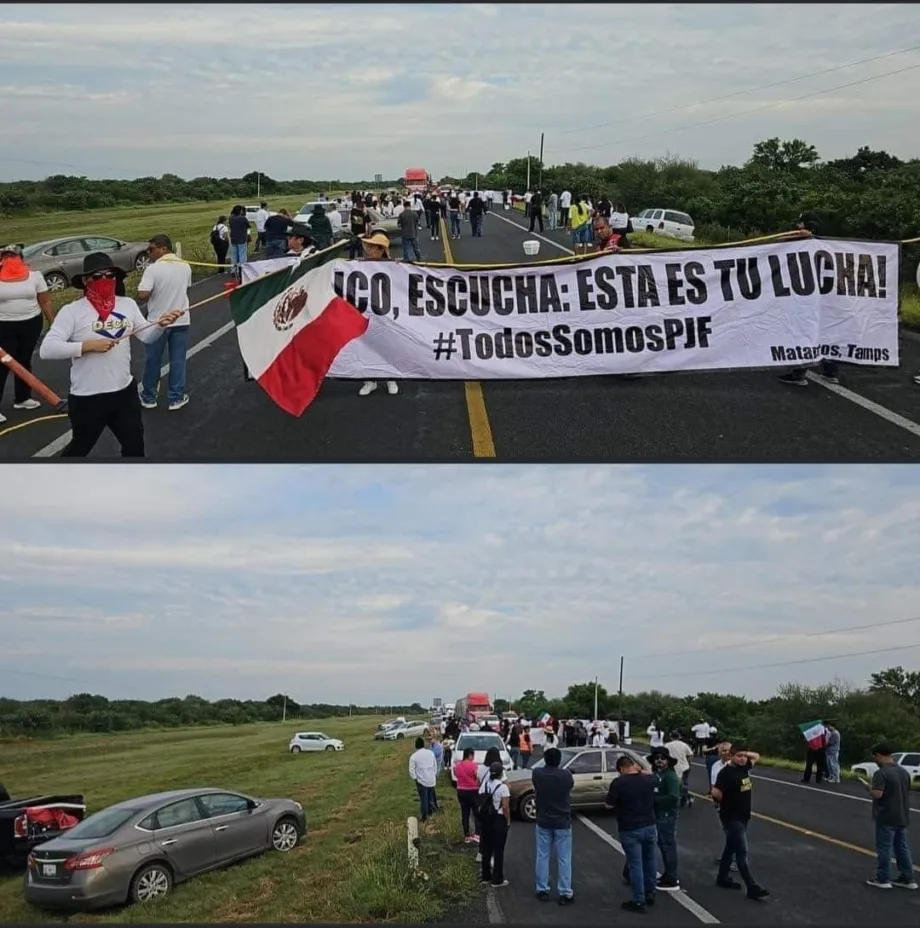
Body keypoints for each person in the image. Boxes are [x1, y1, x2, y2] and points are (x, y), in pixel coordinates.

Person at [38, 252, 185, 457]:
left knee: (134, 446)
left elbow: (146, 336)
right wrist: (86, 346)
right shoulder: (72, 311)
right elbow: (47, 349)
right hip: (88, 397)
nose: (104, 280)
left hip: (124, 392)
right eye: (97, 277)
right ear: (85, 281)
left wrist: (161, 325)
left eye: (110, 276)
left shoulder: (127, 305)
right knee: (80, 448)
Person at [137, 234, 192, 412]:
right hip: (181, 319)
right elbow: (186, 287)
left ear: (163, 248)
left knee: (153, 360)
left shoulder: (153, 269)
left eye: (151, 249)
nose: (149, 253)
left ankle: (149, 396)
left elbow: (143, 294)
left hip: (157, 322)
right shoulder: (185, 266)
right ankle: (175, 397)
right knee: (178, 360)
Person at [0, 244, 54, 420]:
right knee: (4, 364)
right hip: (4, 325)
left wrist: (53, 322)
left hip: (31, 322)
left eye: (14, 256)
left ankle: (22, 398)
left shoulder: (35, 276)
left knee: (24, 360)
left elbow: (45, 301)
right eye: (6, 256)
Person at [711, 742, 769, 900]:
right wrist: (724, 802)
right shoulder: (725, 773)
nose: (743, 759)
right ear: (731, 756)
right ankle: (752, 887)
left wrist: (743, 752)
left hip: (743, 816)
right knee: (741, 852)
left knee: (730, 847)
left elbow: (756, 756)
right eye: (739, 756)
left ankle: (722, 878)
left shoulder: (744, 768)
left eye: (744, 756)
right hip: (731, 817)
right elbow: (715, 792)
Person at [605, 754, 658, 912]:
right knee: (650, 860)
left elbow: (609, 805)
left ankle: (639, 899)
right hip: (649, 824)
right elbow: (653, 777)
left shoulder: (618, 783)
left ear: (621, 768)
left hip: (629, 827)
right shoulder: (648, 780)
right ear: (633, 766)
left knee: (635, 864)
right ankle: (651, 892)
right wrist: (643, 771)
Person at [862, 743, 917, 889]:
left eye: (875, 757)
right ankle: (908, 877)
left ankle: (883, 878)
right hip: (902, 814)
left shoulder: (881, 773)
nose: (875, 760)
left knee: (884, 848)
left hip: (886, 815)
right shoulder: (903, 772)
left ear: (879, 755)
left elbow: (877, 794)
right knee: (902, 847)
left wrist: (869, 788)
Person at [356, 231, 399, 398]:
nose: (369, 249)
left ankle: (391, 378)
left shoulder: (393, 266)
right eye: (369, 246)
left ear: (381, 249)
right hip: (367, 311)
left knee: (388, 345)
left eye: (373, 247)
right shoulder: (361, 264)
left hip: (386, 312)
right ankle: (370, 380)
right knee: (367, 345)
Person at [531, 746, 575, 905]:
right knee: (564, 858)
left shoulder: (538, 773)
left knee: (542, 856)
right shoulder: (566, 775)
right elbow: (570, 787)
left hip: (543, 820)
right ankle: (565, 892)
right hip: (562, 821)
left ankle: (542, 889)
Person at [647, 746, 681, 891]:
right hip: (657, 815)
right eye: (657, 758)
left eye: (662, 758)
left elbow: (674, 797)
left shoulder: (670, 776)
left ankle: (671, 877)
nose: (659, 761)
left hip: (666, 816)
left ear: (668, 761)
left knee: (668, 846)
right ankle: (668, 874)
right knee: (662, 845)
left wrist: (654, 800)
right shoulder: (657, 774)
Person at [478, 760, 511, 888]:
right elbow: (505, 807)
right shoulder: (503, 788)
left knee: (486, 848)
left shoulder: (484, 785)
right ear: (501, 773)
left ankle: (486, 876)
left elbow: (480, 800)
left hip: (486, 819)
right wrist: (508, 820)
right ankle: (497, 879)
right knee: (498, 850)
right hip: (498, 819)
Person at [408, 736, 438, 823]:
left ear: (416, 746)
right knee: (430, 797)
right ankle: (431, 812)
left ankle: (424, 816)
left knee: (423, 799)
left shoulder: (413, 757)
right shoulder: (430, 753)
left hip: (421, 781)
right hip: (431, 779)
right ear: (423, 744)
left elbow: (411, 770)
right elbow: (435, 765)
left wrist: (415, 778)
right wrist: (433, 775)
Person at [454, 747, 481, 844]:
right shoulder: (473, 766)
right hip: (473, 791)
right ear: (470, 755)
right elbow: (477, 777)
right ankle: (477, 834)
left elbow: (456, 775)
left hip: (461, 791)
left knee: (465, 813)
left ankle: (467, 836)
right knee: (476, 813)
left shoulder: (457, 766)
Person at [664, 730, 695, 809]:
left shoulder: (667, 745)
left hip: (672, 767)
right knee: (684, 783)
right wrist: (689, 763)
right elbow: (691, 754)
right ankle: (685, 799)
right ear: (679, 737)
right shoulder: (684, 745)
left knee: (671, 783)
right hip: (684, 767)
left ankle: (671, 799)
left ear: (671, 737)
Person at [228, 205, 251, 274]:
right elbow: (248, 226)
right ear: (240, 211)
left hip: (233, 239)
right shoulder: (243, 218)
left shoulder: (231, 218)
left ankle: (233, 270)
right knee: (242, 256)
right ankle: (242, 271)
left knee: (234, 256)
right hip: (242, 239)